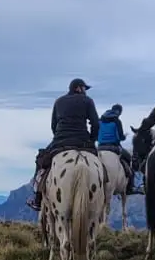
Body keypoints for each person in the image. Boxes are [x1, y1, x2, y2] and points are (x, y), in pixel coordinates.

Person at [26, 78, 100, 211]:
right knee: (100, 167)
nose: (85, 91)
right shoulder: (88, 101)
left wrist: (59, 136)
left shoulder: (59, 101)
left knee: (41, 162)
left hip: (61, 141)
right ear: (78, 88)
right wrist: (92, 139)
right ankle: (103, 194)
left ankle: (37, 198)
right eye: (84, 88)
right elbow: (95, 123)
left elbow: (53, 125)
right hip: (83, 141)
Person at [97, 103, 139, 194]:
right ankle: (130, 187)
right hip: (113, 147)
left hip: (100, 147)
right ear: (119, 112)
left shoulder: (99, 120)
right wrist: (124, 136)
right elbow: (120, 137)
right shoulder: (116, 121)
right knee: (128, 158)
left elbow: (96, 135)